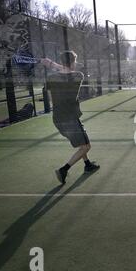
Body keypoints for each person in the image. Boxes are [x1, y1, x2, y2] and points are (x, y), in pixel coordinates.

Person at [40, 51, 99, 184]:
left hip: (58, 119)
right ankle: (63, 170)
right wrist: (52, 64)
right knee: (86, 146)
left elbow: (62, 72)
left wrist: (50, 64)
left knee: (81, 143)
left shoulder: (51, 78)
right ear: (72, 63)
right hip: (70, 119)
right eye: (75, 61)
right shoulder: (79, 76)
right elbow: (67, 70)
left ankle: (88, 164)